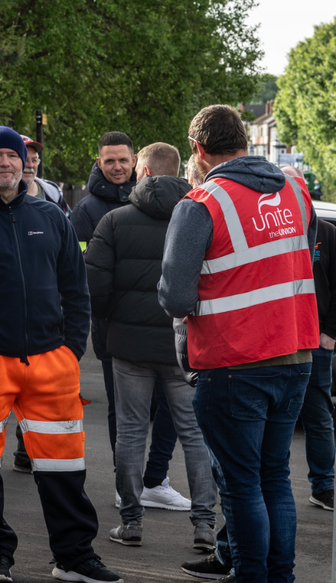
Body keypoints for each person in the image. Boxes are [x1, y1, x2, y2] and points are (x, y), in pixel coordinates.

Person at [0, 126, 121, 583]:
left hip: (51, 364)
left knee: (64, 465)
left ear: (24, 164)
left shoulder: (51, 217)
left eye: (11, 157)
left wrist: (71, 350)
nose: (5, 164)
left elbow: (76, 290)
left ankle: (74, 556)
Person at [159, 104, 318, 583]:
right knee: (276, 480)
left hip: (233, 363)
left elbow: (176, 297)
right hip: (295, 356)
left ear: (198, 151)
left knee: (243, 487)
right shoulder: (296, 191)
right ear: (246, 141)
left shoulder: (201, 202)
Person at [85, 141, 217, 551]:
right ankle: (204, 526)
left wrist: (112, 322)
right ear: (178, 170)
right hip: (184, 344)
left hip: (128, 345)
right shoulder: (200, 216)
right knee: (193, 435)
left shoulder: (113, 220)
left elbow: (95, 288)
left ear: (141, 171)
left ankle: (131, 520)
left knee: (130, 431)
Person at [70, 132, 189, 507]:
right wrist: (104, 318)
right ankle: (130, 489)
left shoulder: (181, 204)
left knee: (168, 409)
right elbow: (82, 275)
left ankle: (154, 478)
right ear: (98, 162)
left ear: (136, 162)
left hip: (162, 328)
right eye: (109, 161)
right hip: (118, 330)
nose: (117, 167)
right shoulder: (87, 211)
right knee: (125, 416)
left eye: (123, 160)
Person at [280, 166, 336, 513]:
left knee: (318, 416)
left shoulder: (327, 233)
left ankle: (323, 486)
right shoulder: (270, 232)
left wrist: (330, 334)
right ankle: (274, 486)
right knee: (275, 417)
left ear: (305, 190)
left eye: (295, 186)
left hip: (314, 343)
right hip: (275, 342)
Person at [20, 134, 70, 215]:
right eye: (25, 160)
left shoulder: (53, 194)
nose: (30, 165)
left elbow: (69, 224)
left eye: (34, 160)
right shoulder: (0, 198)